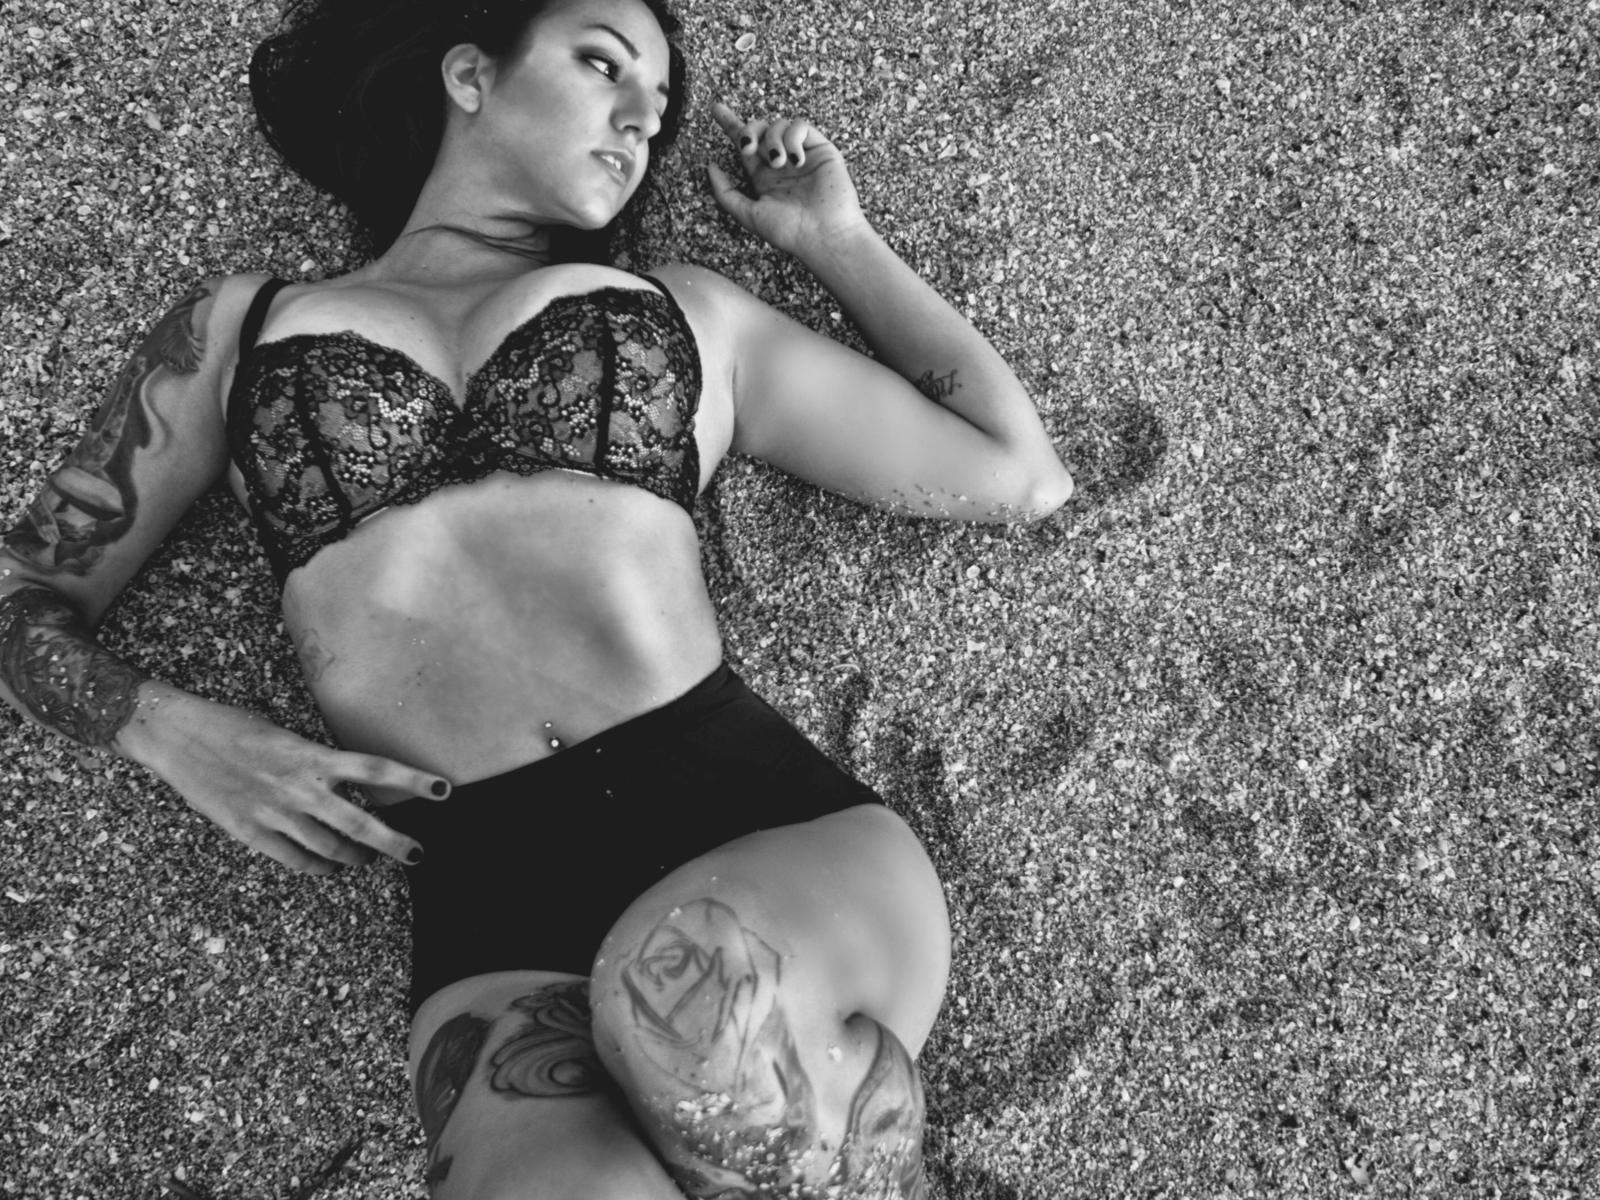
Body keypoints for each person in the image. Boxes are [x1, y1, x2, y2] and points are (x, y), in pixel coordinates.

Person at [0, 0, 1074, 1193]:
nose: (639, 120)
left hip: (755, 828)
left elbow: (1014, 473)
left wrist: (834, 237)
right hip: (493, 908)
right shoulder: (236, 330)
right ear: (470, 74)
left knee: (685, 1002)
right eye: (603, 65)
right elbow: (22, 591)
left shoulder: (691, 314)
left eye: (657, 109)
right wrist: (171, 732)